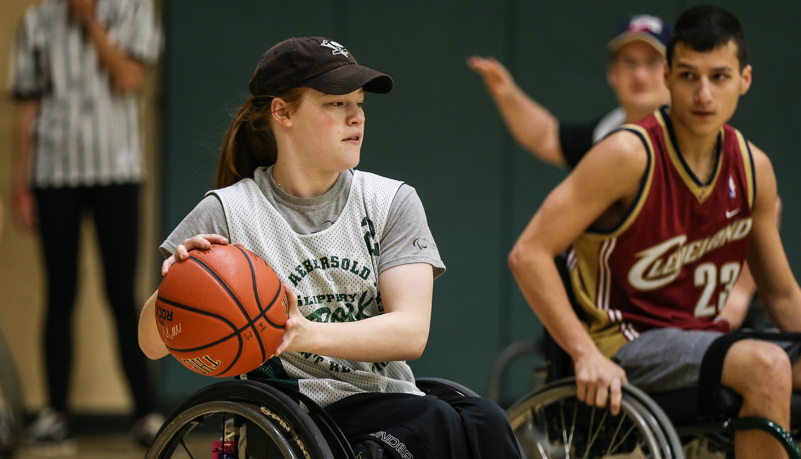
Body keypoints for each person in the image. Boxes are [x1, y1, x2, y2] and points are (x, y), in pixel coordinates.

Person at [138, 36, 522, 458]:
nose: (356, 117)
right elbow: (152, 343)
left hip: (390, 401)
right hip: (291, 410)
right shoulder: (228, 212)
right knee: (435, 421)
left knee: (487, 418)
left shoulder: (390, 201)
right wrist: (181, 282)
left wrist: (304, 333)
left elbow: (411, 333)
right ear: (282, 112)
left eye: (359, 103)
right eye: (336, 104)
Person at [507, 6, 801, 459]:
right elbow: (528, 254)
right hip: (629, 342)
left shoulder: (753, 167)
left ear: (744, 79)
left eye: (718, 77)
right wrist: (584, 354)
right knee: (767, 366)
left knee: (776, 362)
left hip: (707, 338)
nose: (703, 93)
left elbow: (781, 296)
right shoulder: (627, 154)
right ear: (667, 76)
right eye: (688, 76)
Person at [9, 0, 164, 446]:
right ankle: (56, 413)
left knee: (121, 293)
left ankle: (145, 412)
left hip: (117, 173)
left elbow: (128, 77)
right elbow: (27, 107)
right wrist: (20, 184)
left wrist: (91, 21)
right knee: (60, 293)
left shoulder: (133, 9)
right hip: (52, 176)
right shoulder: (37, 19)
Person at [468, 14, 672, 168]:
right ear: (612, 72)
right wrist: (506, 93)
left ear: (673, 71)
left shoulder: (693, 136)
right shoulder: (603, 135)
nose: (640, 75)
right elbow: (545, 136)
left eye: (652, 62)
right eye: (629, 63)